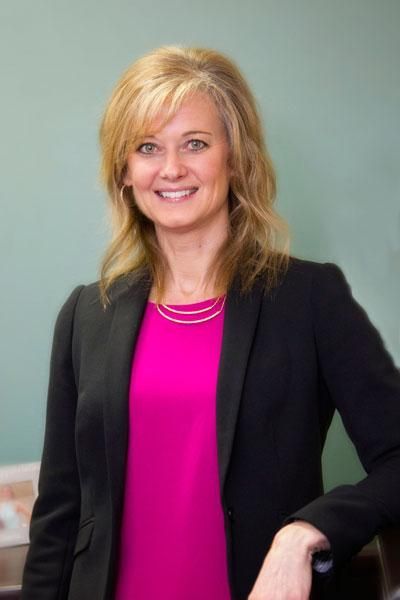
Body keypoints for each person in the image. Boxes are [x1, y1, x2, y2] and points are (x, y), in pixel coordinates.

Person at [21, 46, 400, 600]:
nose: (171, 169)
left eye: (194, 144)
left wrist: (304, 534)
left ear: (236, 157)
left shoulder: (310, 299)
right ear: (125, 171)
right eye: (147, 148)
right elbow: (60, 509)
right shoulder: (86, 314)